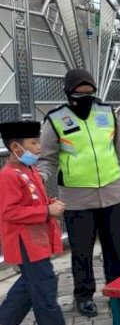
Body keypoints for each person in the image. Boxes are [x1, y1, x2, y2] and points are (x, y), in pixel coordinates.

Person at [37, 69, 120, 317]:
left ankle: (119, 293)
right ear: (68, 93)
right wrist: (38, 180)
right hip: (76, 199)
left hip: (112, 195)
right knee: (81, 251)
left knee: (114, 249)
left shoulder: (107, 113)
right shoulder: (55, 120)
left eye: (89, 93)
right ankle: (83, 296)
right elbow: (47, 159)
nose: (85, 97)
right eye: (79, 94)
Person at [0, 121, 65, 325]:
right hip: (25, 241)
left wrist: (49, 203)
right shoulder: (8, 175)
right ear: (15, 147)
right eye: (34, 143)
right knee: (44, 287)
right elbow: (9, 211)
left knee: (29, 286)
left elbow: (31, 199)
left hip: (37, 238)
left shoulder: (29, 169)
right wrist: (47, 211)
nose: (39, 147)